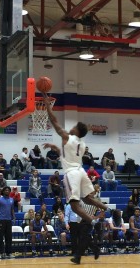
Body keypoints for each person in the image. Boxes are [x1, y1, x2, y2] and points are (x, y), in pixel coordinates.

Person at [43, 93, 108, 225]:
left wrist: (47, 105)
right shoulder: (82, 145)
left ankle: (92, 222)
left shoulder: (67, 136)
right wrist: (55, 147)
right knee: (87, 199)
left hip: (72, 173)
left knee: (74, 205)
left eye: (74, 126)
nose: (71, 127)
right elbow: (68, 154)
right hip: (81, 172)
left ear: (76, 131)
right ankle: (108, 209)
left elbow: (54, 121)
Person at [0, 186, 15, 259]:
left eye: (8, 190)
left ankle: (8, 253)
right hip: (1, 220)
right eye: (5, 190)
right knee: (0, 237)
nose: (7, 191)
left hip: (8, 220)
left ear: (10, 192)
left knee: (9, 237)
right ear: (3, 191)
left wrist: (14, 217)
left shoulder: (12, 200)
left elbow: (12, 209)